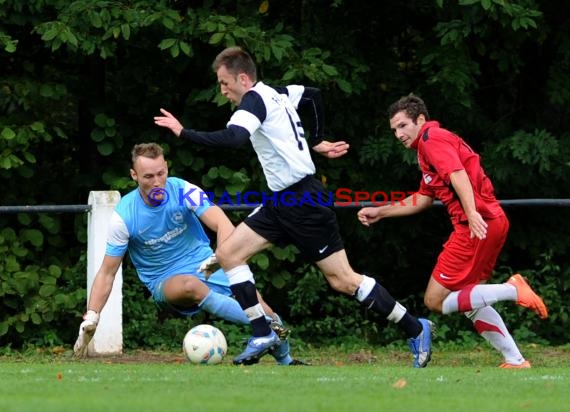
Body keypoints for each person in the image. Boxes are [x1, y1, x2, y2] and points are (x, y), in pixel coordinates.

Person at [154, 46, 433, 367]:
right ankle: (263, 330)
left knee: (343, 280)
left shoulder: (255, 100)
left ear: (243, 78)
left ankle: (415, 327)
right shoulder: (278, 93)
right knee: (229, 254)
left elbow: (233, 139)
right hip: (281, 201)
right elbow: (312, 95)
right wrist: (316, 139)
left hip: (303, 201)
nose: (222, 90)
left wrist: (183, 132)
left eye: (224, 83)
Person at [357, 94, 548, 368]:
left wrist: (471, 214)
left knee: (435, 300)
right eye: (394, 130)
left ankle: (512, 290)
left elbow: (457, 174)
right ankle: (514, 359)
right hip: (488, 222)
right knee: (468, 298)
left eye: (402, 126)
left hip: (475, 225)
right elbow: (423, 198)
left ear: (420, 120)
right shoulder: (427, 148)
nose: (398, 134)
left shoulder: (431, 139)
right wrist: (382, 211)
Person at [73, 142, 304, 366]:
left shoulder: (183, 190)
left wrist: (220, 259)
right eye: (148, 177)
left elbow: (223, 224)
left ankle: (286, 360)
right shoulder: (123, 216)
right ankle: (265, 328)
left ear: (166, 168)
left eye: (160, 173)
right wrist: (93, 315)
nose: (157, 182)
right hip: (164, 280)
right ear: (134, 175)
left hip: (206, 263)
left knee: (265, 308)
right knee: (190, 284)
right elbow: (107, 272)